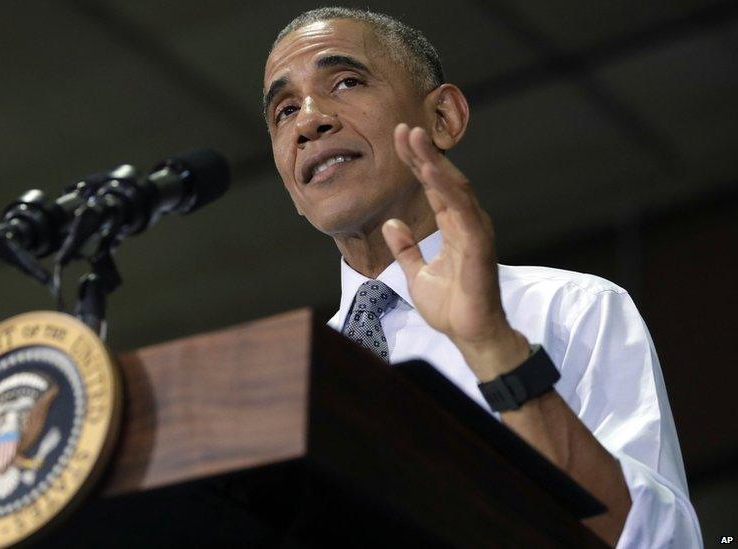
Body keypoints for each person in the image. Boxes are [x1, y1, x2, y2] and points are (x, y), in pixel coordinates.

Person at [262, 7, 701, 548]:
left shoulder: (571, 308)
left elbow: (661, 541)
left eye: (347, 81)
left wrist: (493, 347)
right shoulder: (288, 385)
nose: (308, 121)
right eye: (284, 111)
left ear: (443, 117)